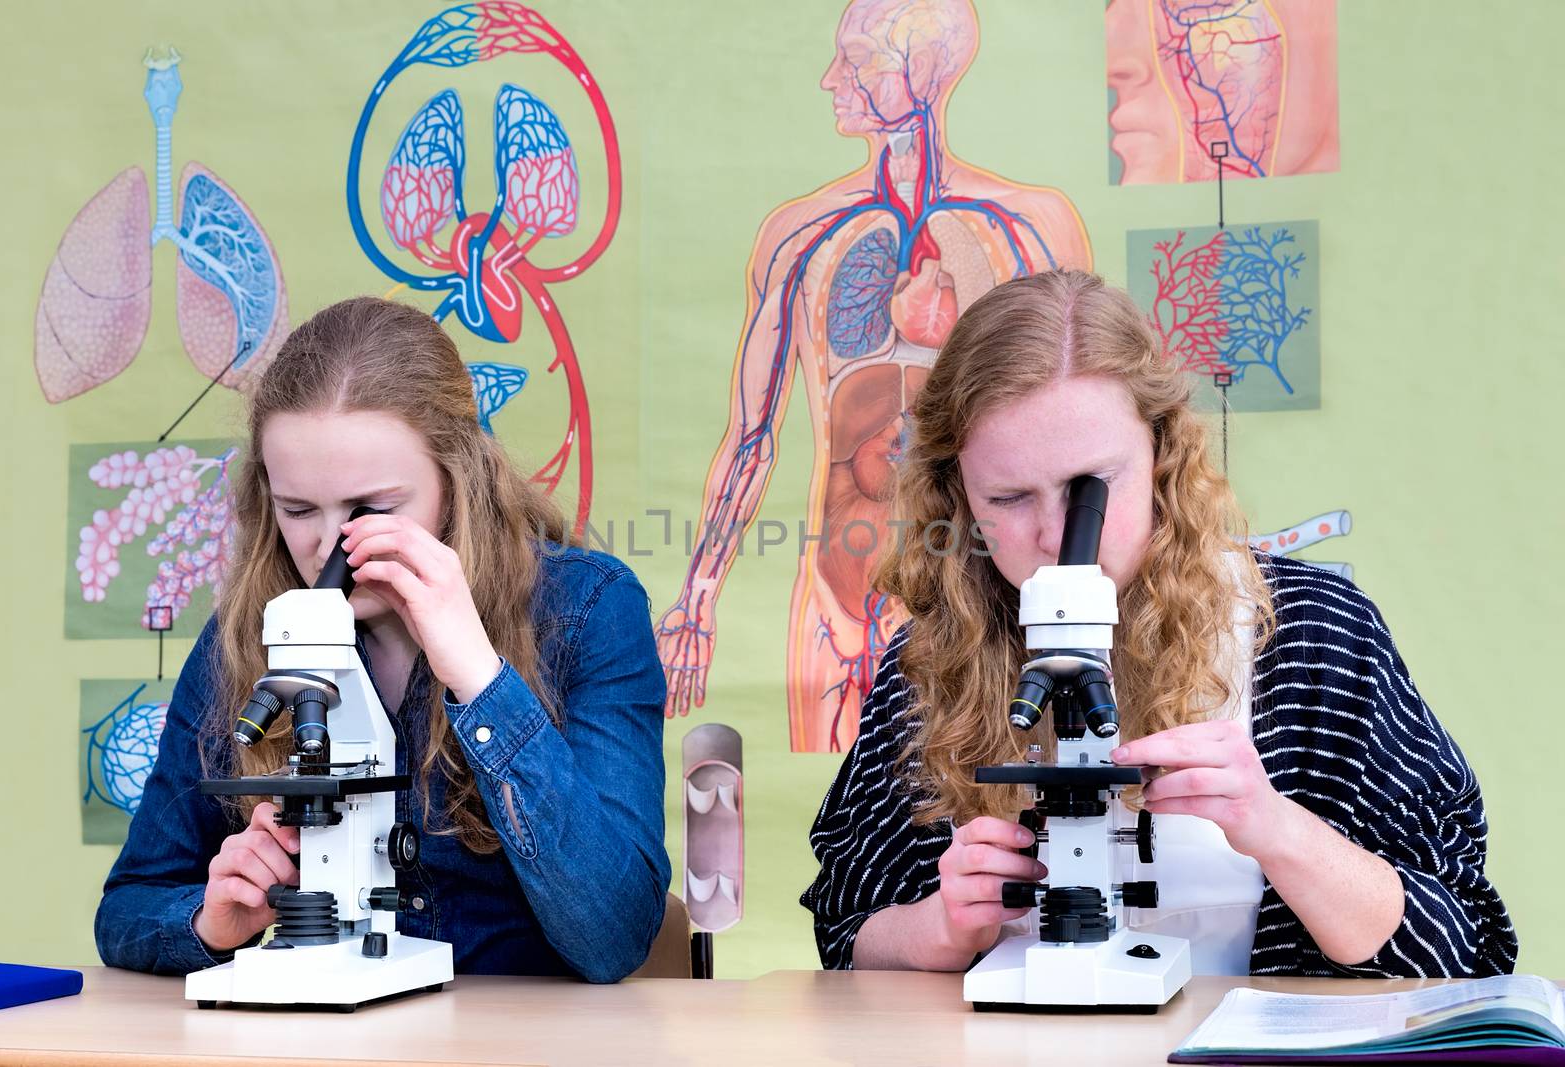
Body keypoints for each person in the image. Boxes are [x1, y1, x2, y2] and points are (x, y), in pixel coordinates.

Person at [802, 270, 1515, 977]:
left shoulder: (1310, 634)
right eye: (1009, 496)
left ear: (1162, 453)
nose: (1055, 537)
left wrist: (1276, 828)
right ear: (957, 493)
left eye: (1090, 489)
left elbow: (1464, 940)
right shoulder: (930, 661)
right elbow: (845, 930)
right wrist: (943, 926)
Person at [95, 297, 669, 983]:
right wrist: (209, 918)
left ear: (458, 482)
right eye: (298, 509)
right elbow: (128, 907)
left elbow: (616, 933)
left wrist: (480, 678)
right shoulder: (250, 631)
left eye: (372, 508)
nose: (330, 545)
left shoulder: (588, 610)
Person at [655, 0, 1091, 754]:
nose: (832, 79)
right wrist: (697, 596)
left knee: (988, 810)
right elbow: (752, 436)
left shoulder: (1028, 229)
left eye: (859, 63)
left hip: (974, 599)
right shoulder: (802, 236)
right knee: (846, 832)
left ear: (922, 74)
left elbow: (1081, 441)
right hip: (832, 596)